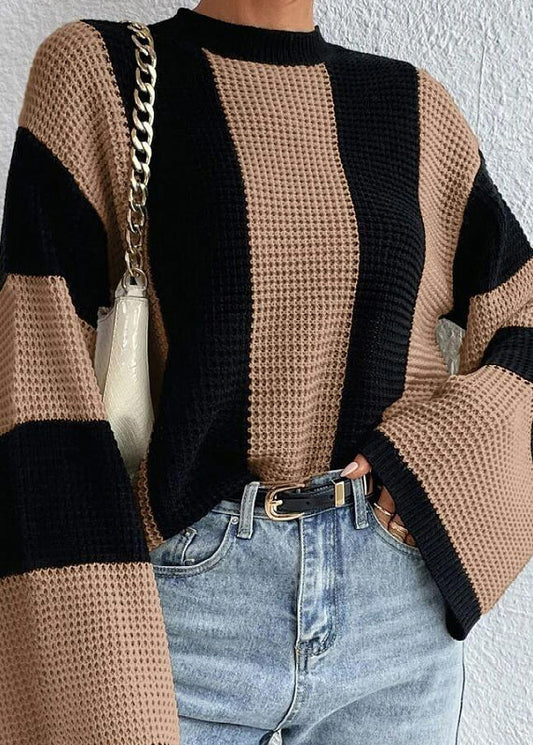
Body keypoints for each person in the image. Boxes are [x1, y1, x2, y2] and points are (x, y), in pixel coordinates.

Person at [0, 1, 532, 743]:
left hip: (394, 614)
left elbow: (521, 313)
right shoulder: (99, 73)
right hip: (181, 608)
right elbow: (39, 382)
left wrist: (436, 456)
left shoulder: (412, 105)